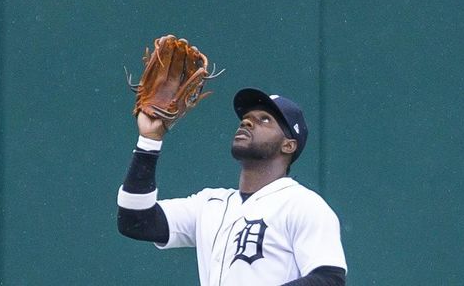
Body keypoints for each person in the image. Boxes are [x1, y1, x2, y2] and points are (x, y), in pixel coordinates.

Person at [117, 88, 347, 286]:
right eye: (246, 117)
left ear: (288, 145)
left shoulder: (303, 204)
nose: (247, 121)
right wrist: (149, 140)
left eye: (264, 119)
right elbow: (136, 221)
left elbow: (329, 278)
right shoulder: (209, 205)